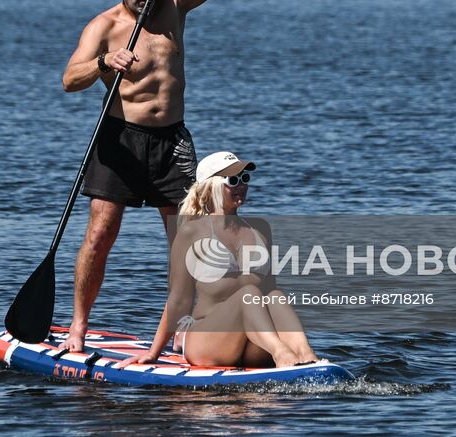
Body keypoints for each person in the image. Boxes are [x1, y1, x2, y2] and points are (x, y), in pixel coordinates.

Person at [60, 0, 232, 353]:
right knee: (100, 234)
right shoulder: (104, 25)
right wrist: (102, 62)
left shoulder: (173, 3)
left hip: (171, 139)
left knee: (186, 237)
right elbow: (69, 80)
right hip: (120, 139)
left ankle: (180, 326)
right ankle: (78, 325)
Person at [120, 151, 319, 369]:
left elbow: (270, 291)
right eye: (232, 180)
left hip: (253, 343)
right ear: (210, 186)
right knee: (249, 294)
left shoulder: (260, 228)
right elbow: (178, 300)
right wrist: (153, 353)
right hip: (207, 339)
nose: (241, 185)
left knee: (275, 296)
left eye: (245, 179)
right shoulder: (191, 232)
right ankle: (282, 354)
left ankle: (307, 355)